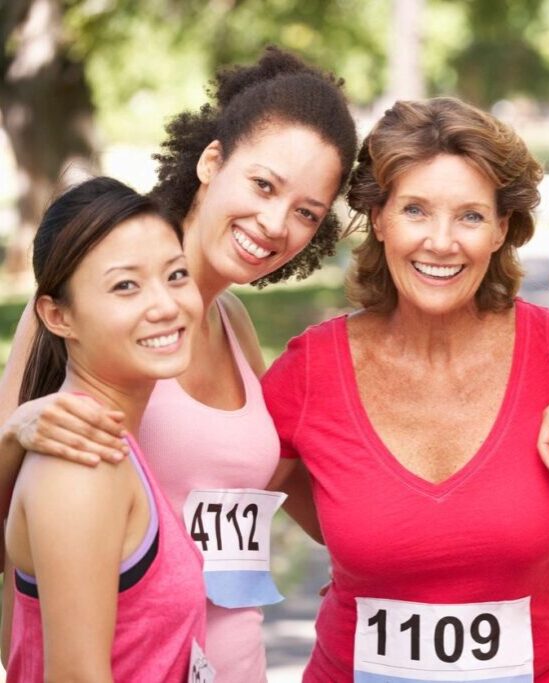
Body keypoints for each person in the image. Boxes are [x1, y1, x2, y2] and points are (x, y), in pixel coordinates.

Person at [0, 46, 358, 681]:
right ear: (213, 162)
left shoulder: (235, 327)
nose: (276, 223)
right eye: (263, 185)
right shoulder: (88, 313)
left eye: (307, 211)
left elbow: (282, 497)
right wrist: (13, 431)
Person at [261, 97, 549, 682]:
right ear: (380, 218)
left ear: (500, 230)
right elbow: (202, 468)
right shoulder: (310, 369)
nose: (441, 242)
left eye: (470, 216)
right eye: (415, 210)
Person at [2, 177, 207, 681]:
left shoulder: (112, 439)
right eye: (125, 286)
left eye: (176, 275)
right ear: (58, 315)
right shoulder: (80, 464)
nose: (165, 305)